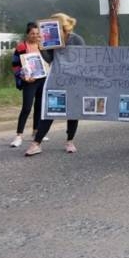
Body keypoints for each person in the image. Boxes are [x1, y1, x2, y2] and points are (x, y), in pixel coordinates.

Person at [25, 12, 86, 156]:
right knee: (50, 110)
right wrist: (41, 48)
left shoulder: (76, 40)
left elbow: (84, 60)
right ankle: (36, 143)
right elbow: (50, 60)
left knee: (72, 111)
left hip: (74, 80)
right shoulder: (51, 41)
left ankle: (70, 141)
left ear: (62, 27)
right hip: (57, 80)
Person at [9, 22, 47, 148]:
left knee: (39, 107)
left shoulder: (43, 46)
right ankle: (18, 136)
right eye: (32, 33)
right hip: (29, 81)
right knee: (26, 108)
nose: (35, 36)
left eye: (37, 33)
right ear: (27, 34)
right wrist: (23, 76)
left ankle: (36, 132)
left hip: (42, 80)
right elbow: (15, 65)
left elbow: (49, 61)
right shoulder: (21, 47)